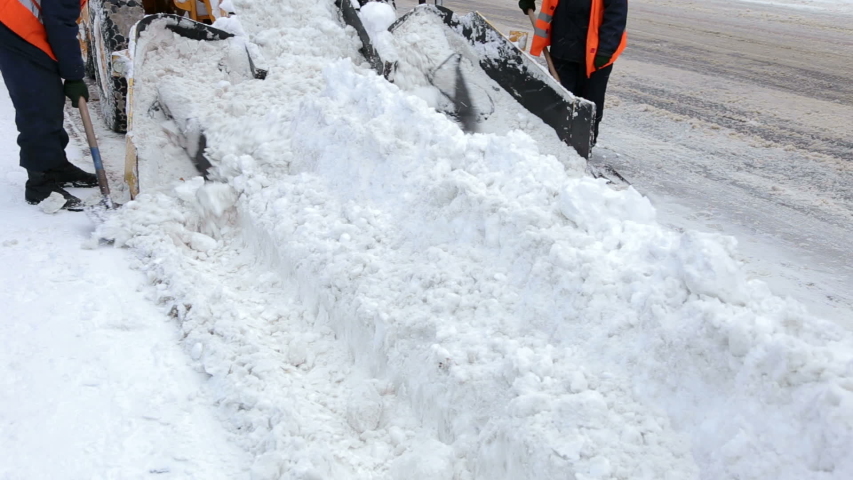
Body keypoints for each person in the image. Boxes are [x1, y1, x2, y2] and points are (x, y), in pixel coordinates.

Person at [0, 0, 97, 211]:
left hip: (21, 23)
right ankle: (40, 184)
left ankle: (55, 166)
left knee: (49, 99)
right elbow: (60, 24)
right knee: (37, 102)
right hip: (14, 26)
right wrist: (74, 76)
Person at [520, 0, 627, 147]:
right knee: (558, 101)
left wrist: (606, 50)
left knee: (589, 106)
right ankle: (555, 144)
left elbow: (616, 15)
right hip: (562, 49)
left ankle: (583, 147)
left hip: (595, 56)